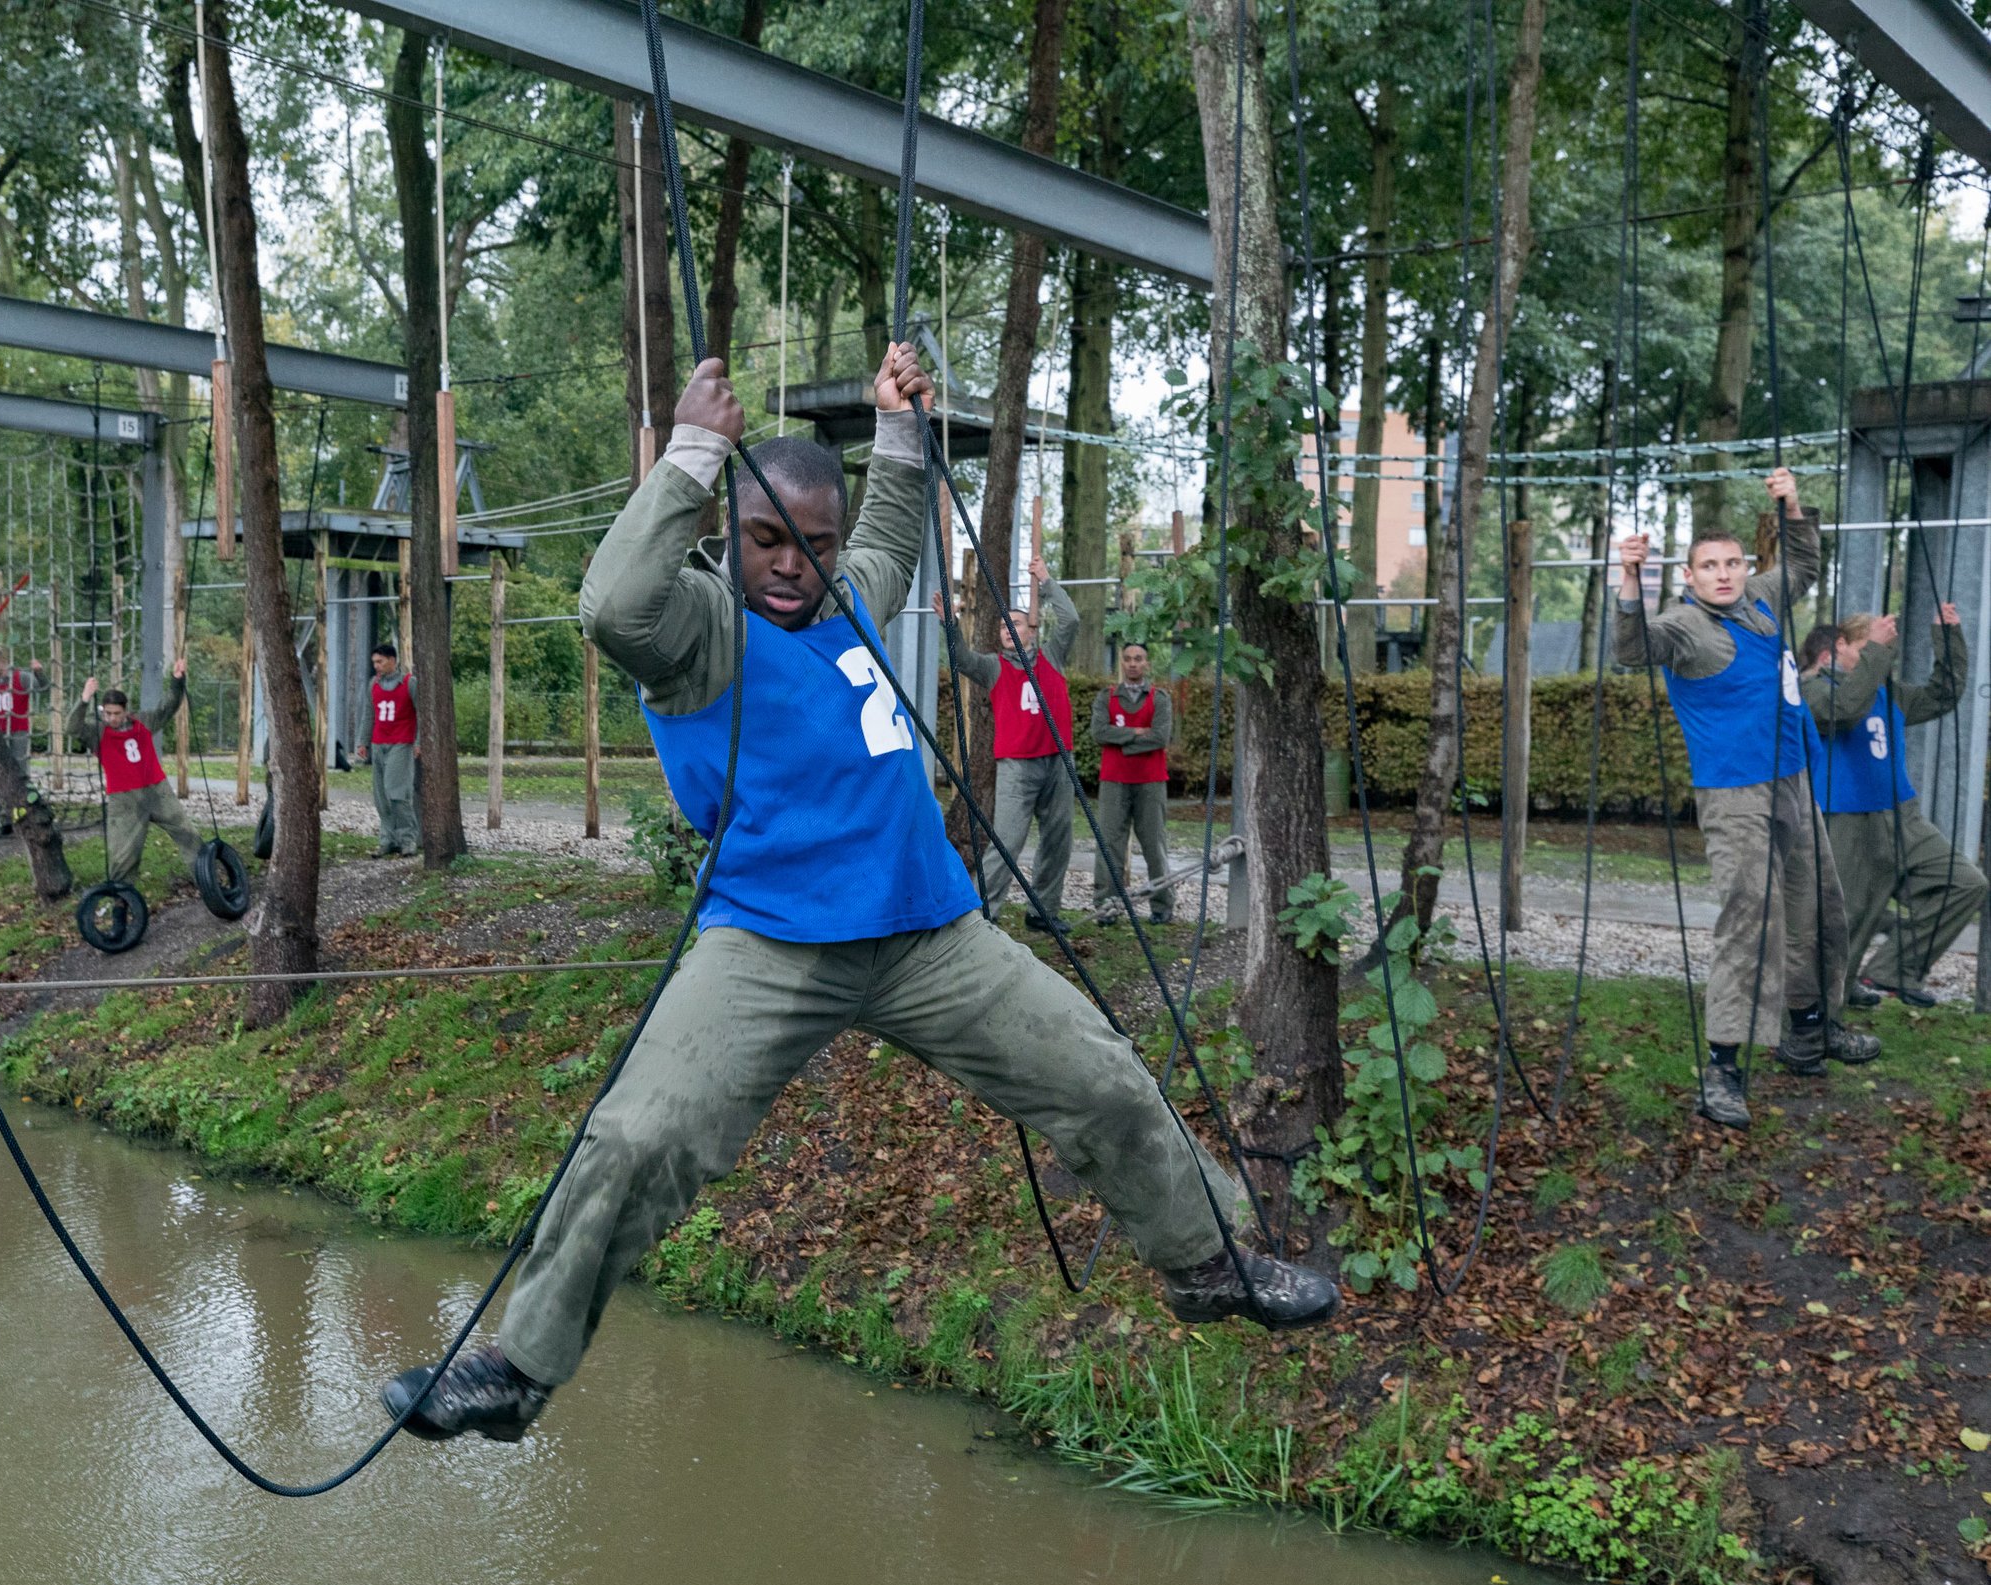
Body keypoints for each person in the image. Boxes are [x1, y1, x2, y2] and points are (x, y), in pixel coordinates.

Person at [377, 344, 1336, 1446]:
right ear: (723, 535)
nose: (793, 565)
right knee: (638, 1136)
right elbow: (610, 605)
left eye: (812, 545)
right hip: (771, 940)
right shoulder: (697, 629)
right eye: (767, 540)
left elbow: (887, 536)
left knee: (1105, 1077)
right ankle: (516, 1366)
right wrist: (691, 447)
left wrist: (895, 429)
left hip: (930, 932)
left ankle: (1206, 1262)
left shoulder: (856, 595)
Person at [1611, 468, 1875, 1128]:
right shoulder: (1682, 625)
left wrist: (1787, 502)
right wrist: (1629, 579)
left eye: (1732, 562)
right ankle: (1723, 1068)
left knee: (1819, 903)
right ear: (1692, 575)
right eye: (1710, 566)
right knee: (1749, 917)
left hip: (1792, 779)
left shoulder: (1759, 601)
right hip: (1733, 793)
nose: (1725, 574)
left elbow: (1805, 561)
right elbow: (1631, 648)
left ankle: (1810, 1031)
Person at [1802, 603, 1985, 1008]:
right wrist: (1878, 654)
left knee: (1965, 883)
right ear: (1839, 647)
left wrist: (1948, 637)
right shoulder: (1813, 688)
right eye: (1872, 646)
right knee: (1849, 919)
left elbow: (1943, 694)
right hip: (1848, 818)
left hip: (1903, 815)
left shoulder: (1890, 694)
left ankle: (1892, 971)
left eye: (1887, 646)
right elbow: (1844, 710)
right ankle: (1821, 1015)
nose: (1884, 652)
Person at [936, 552, 1078, 929]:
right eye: (1002, 627)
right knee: (1008, 842)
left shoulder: (1053, 656)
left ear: (1031, 627)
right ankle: (981, 913)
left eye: (1015, 623)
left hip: (1060, 761)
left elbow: (1071, 619)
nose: (1007, 630)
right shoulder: (994, 667)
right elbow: (961, 658)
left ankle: (1043, 911)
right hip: (1017, 766)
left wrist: (1046, 582)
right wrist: (950, 624)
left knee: (1058, 839)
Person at [73, 660, 200, 886]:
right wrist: (84, 699)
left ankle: (208, 882)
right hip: (124, 799)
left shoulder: (142, 721)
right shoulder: (97, 732)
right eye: (108, 713)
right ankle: (121, 904)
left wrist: (177, 681)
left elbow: (167, 708)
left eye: (117, 713)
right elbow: (72, 728)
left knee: (188, 834)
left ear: (125, 711)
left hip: (156, 790)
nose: (112, 718)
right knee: (122, 857)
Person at [1091, 640, 1172, 925]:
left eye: (1139, 658)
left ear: (1147, 663)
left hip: (1151, 782)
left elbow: (1161, 737)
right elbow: (1099, 732)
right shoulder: (1107, 697)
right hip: (1114, 780)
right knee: (1109, 845)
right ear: (1122, 663)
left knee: (1154, 845)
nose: (1133, 663)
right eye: (1128, 658)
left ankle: (1162, 905)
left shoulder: (1160, 698)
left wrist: (1122, 741)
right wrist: (1138, 734)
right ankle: (1106, 905)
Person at [368, 642, 420, 859]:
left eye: (380, 661)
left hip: (401, 742)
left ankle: (408, 840)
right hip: (379, 743)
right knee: (381, 796)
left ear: (392, 660)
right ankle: (387, 840)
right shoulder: (374, 684)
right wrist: (363, 742)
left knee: (396, 791)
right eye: (374, 662)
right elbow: (368, 714)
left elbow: (421, 713)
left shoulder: (410, 683)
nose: (376, 666)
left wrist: (419, 741)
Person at [0, 656, 43, 763]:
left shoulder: (22, 677)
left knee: (20, 764)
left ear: (3, 663)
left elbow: (42, 688)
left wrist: (38, 673)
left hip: (18, 730)